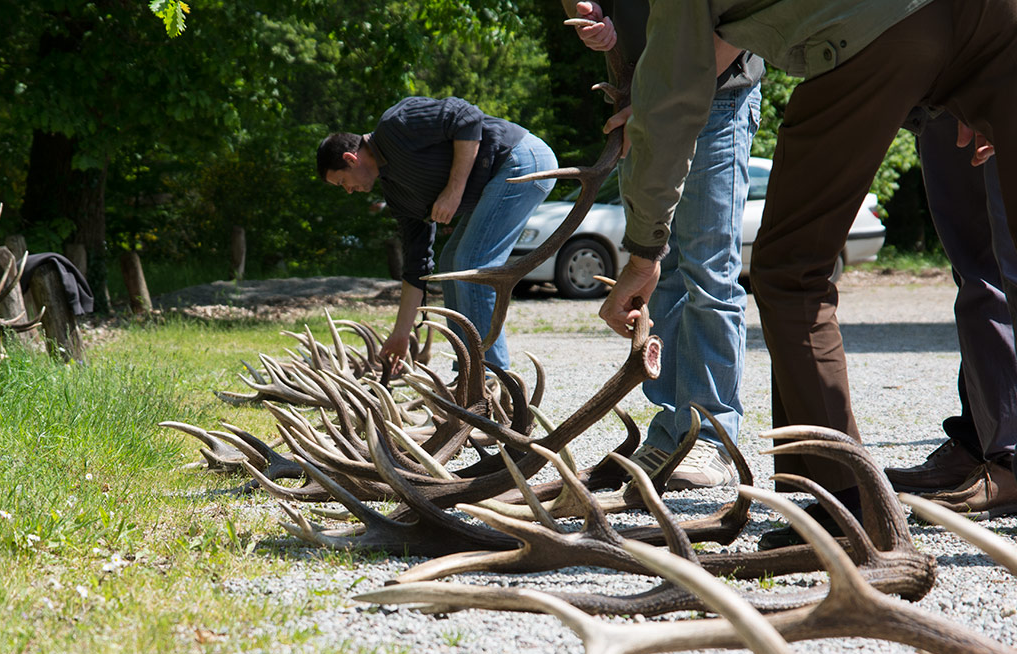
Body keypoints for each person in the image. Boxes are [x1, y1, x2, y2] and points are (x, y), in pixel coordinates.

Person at [575, 0, 1017, 548]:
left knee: (790, 270)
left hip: (880, 31)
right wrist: (966, 84)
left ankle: (848, 510)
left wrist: (643, 251)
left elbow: (673, 104)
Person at [568, 0, 763, 489]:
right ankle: (674, 431)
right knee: (665, 270)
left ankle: (712, 438)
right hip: (646, 97)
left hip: (717, 95)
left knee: (707, 270)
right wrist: (598, 24)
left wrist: (660, 103)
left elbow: (750, 23)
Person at [317, 97, 557, 372]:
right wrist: (401, 334)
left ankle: (491, 376)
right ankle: (468, 374)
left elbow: (467, 117)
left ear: (351, 158)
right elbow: (416, 264)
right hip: (501, 176)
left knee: (471, 265)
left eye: (342, 182)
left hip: (522, 160)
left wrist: (454, 190)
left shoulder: (396, 124)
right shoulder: (397, 193)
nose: (348, 190)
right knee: (450, 264)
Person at [884, 110, 1017, 518]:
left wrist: (988, 92)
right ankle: (979, 439)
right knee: (974, 270)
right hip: (943, 91)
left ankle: (1009, 461)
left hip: (990, 75)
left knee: (999, 274)